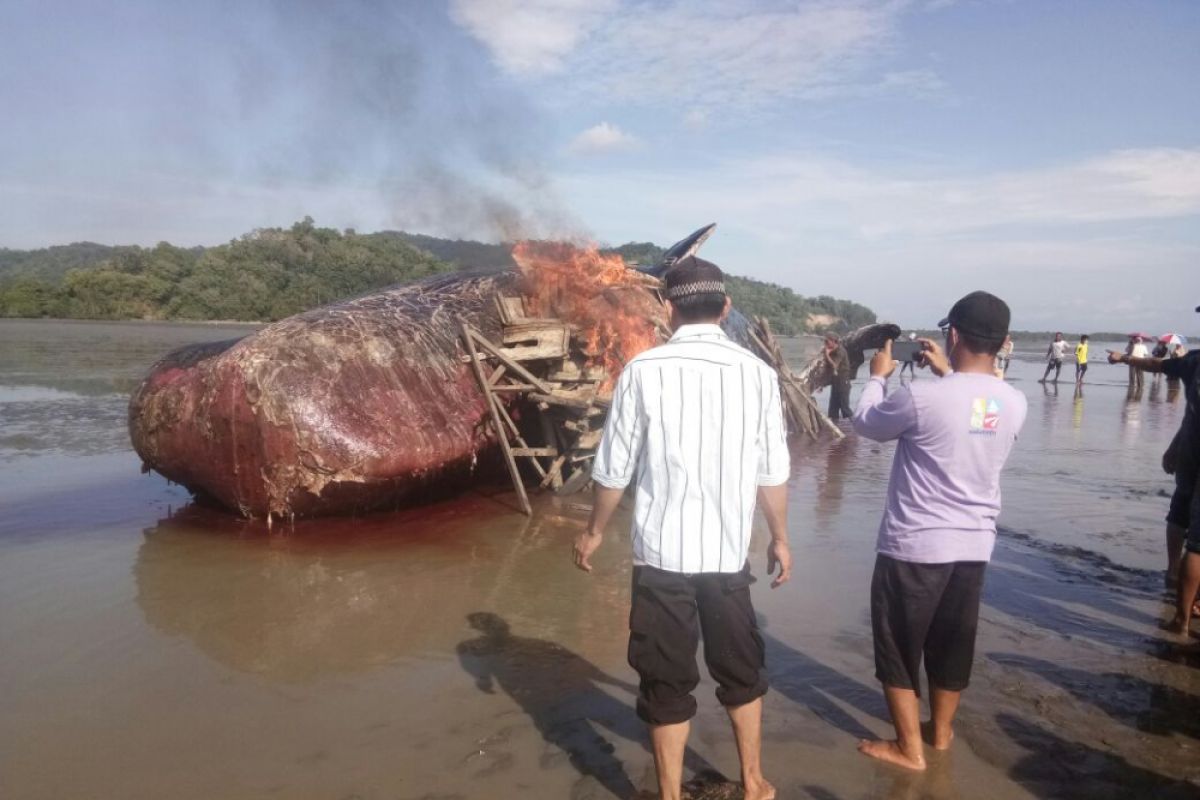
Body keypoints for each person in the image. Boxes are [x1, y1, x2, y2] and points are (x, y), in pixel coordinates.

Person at [574, 255, 791, 800]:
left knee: (664, 679)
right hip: (726, 559)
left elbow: (614, 470)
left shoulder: (642, 372)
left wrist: (595, 531)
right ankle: (754, 783)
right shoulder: (760, 375)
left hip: (661, 560)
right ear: (726, 307)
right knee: (742, 671)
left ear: (668, 308)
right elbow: (772, 473)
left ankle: (669, 795)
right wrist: (782, 539)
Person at [851, 290, 1027, 771]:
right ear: (1005, 342)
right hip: (973, 547)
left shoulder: (921, 397)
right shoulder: (1014, 402)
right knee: (952, 645)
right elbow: (974, 413)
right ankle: (940, 733)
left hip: (915, 545)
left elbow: (867, 424)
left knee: (897, 647)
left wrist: (876, 379)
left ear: (952, 334)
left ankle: (909, 749)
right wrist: (950, 375)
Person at [1108, 316, 1200, 616]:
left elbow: (1156, 367)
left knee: (1181, 510)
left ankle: (1174, 574)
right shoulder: (1192, 362)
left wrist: (1123, 359)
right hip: (1188, 446)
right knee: (1197, 543)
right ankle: (1185, 611)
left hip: (1190, 447)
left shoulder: (1193, 362)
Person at [824, 332, 853, 420]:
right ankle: (834, 428)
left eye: (827, 341)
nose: (825, 344)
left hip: (843, 380)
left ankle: (855, 428)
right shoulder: (833, 350)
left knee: (845, 408)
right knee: (833, 409)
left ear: (833, 341)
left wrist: (827, 354)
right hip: (835, 381)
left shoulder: (840, 351)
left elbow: (834, 365)